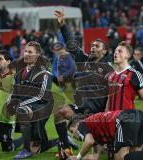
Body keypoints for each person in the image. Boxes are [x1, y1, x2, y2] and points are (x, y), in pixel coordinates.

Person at [53, 10, 114, 156]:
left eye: (97, 46)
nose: (93, 47)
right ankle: (66, 145)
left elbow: (112, 94)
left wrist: (107, 114)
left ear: (104, 52)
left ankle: (96, 139)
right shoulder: (84, 60)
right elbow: (72, 46)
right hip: (82, 108)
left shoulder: (108, 68)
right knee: (59, 112)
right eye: (92, 45)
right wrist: (63, 25)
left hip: (98, 112)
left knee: (99, 146)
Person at [68, 109, 143, 160]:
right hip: (138, 115)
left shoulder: (83, 124)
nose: (74, 136)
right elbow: (95, 156)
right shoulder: (94, 129)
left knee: (120, 157)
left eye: (72, 131)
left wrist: (78, 158)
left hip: (125, 119)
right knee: (136, 154)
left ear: (76, 125)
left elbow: (88, 141)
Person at [7, 41, 55, 159]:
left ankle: (26, 149)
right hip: (28, 105)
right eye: (25, 51)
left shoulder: (44, 73)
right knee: (39, 147)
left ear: (37, 54)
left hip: (43, 105)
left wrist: (20, 104)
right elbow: (15, 91)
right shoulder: (19, 73)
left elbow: (41, 96)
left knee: (22, 111)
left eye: (30, 52)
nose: (26, 54)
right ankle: (61, 141)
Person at [105, 41, 143, 119]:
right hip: (111, 120)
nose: (116, 53)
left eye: (120, 51)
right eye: (115, 51)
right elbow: (109, 99)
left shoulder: (134, 74)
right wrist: (105, 116)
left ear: (128, 55)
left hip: (127, 121)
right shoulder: (111, 75)